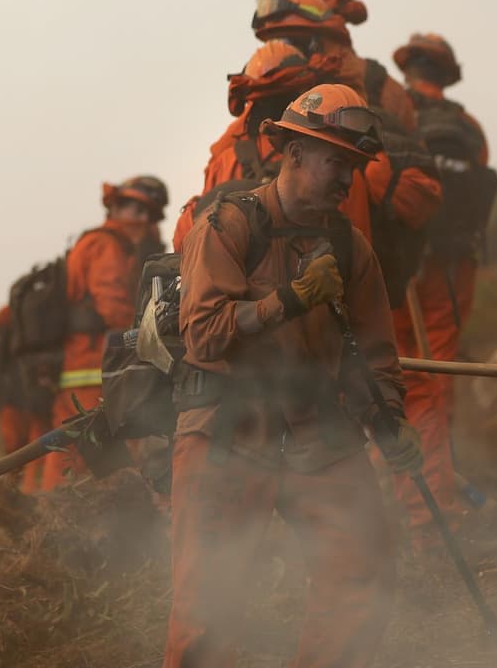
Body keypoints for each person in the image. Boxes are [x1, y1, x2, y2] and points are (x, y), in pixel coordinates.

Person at [166, 85, 422, 667]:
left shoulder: (349, 247)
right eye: (336, 161)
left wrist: (389, 418)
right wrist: (289, 300)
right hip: (228, 430)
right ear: (295, 153)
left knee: (363, 574)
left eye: (354, 168)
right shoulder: (226, 226)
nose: (346, 180)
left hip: (315, 432)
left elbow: (375, 355)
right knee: (207, 610)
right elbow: (203, 335)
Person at [252, 0, 443, 285]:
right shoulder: (386, 88)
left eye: (290, 36)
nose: (283, 45)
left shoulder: (374, 88)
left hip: (346, 258)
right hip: (353, 263)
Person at [392, 32, 497, 546]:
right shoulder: (468, 125)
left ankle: (410, 500)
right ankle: (434, 511)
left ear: (408, 68)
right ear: (447, 72)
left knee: (395, 375)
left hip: (402, 266)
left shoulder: (392, 108)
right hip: (456, 268)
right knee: (436, 380)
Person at [41, 176, 168, 490]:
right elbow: (113, 306)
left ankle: (56, 521)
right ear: (115, 209)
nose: (141, 220)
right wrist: (152, 332)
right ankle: (54, 522)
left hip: (87, 364)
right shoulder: (107, 246)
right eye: (133, 209)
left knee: (80, 452)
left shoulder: (107, 244)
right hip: (90, 368)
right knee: (81, 451)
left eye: (147, 214)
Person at [172, 39, 341, 251]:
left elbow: (194, 238)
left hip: (231, 271)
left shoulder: (224, 159)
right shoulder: (328, 159)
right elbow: (349, 239)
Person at [0, 305, 48, 491]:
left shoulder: (10, 310)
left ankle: (6, 498)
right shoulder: (47, 305)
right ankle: (10, 499)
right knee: (32, 452)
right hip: (35, 396)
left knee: (9, 453)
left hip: (13, 396)